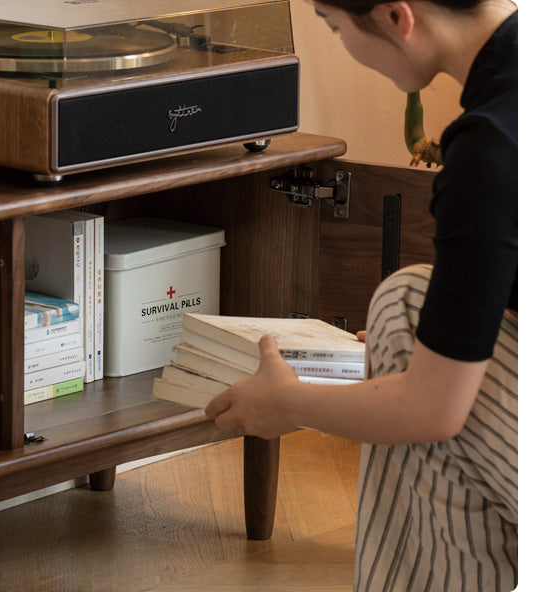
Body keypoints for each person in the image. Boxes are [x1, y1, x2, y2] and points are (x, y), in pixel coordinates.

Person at [205, 1, 518, 590]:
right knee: (411, 307)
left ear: (397, 16)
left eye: (334, 27)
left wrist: (289, 403)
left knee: (403, 326)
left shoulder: (492, 145)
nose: (341, 42)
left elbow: (432, 411)